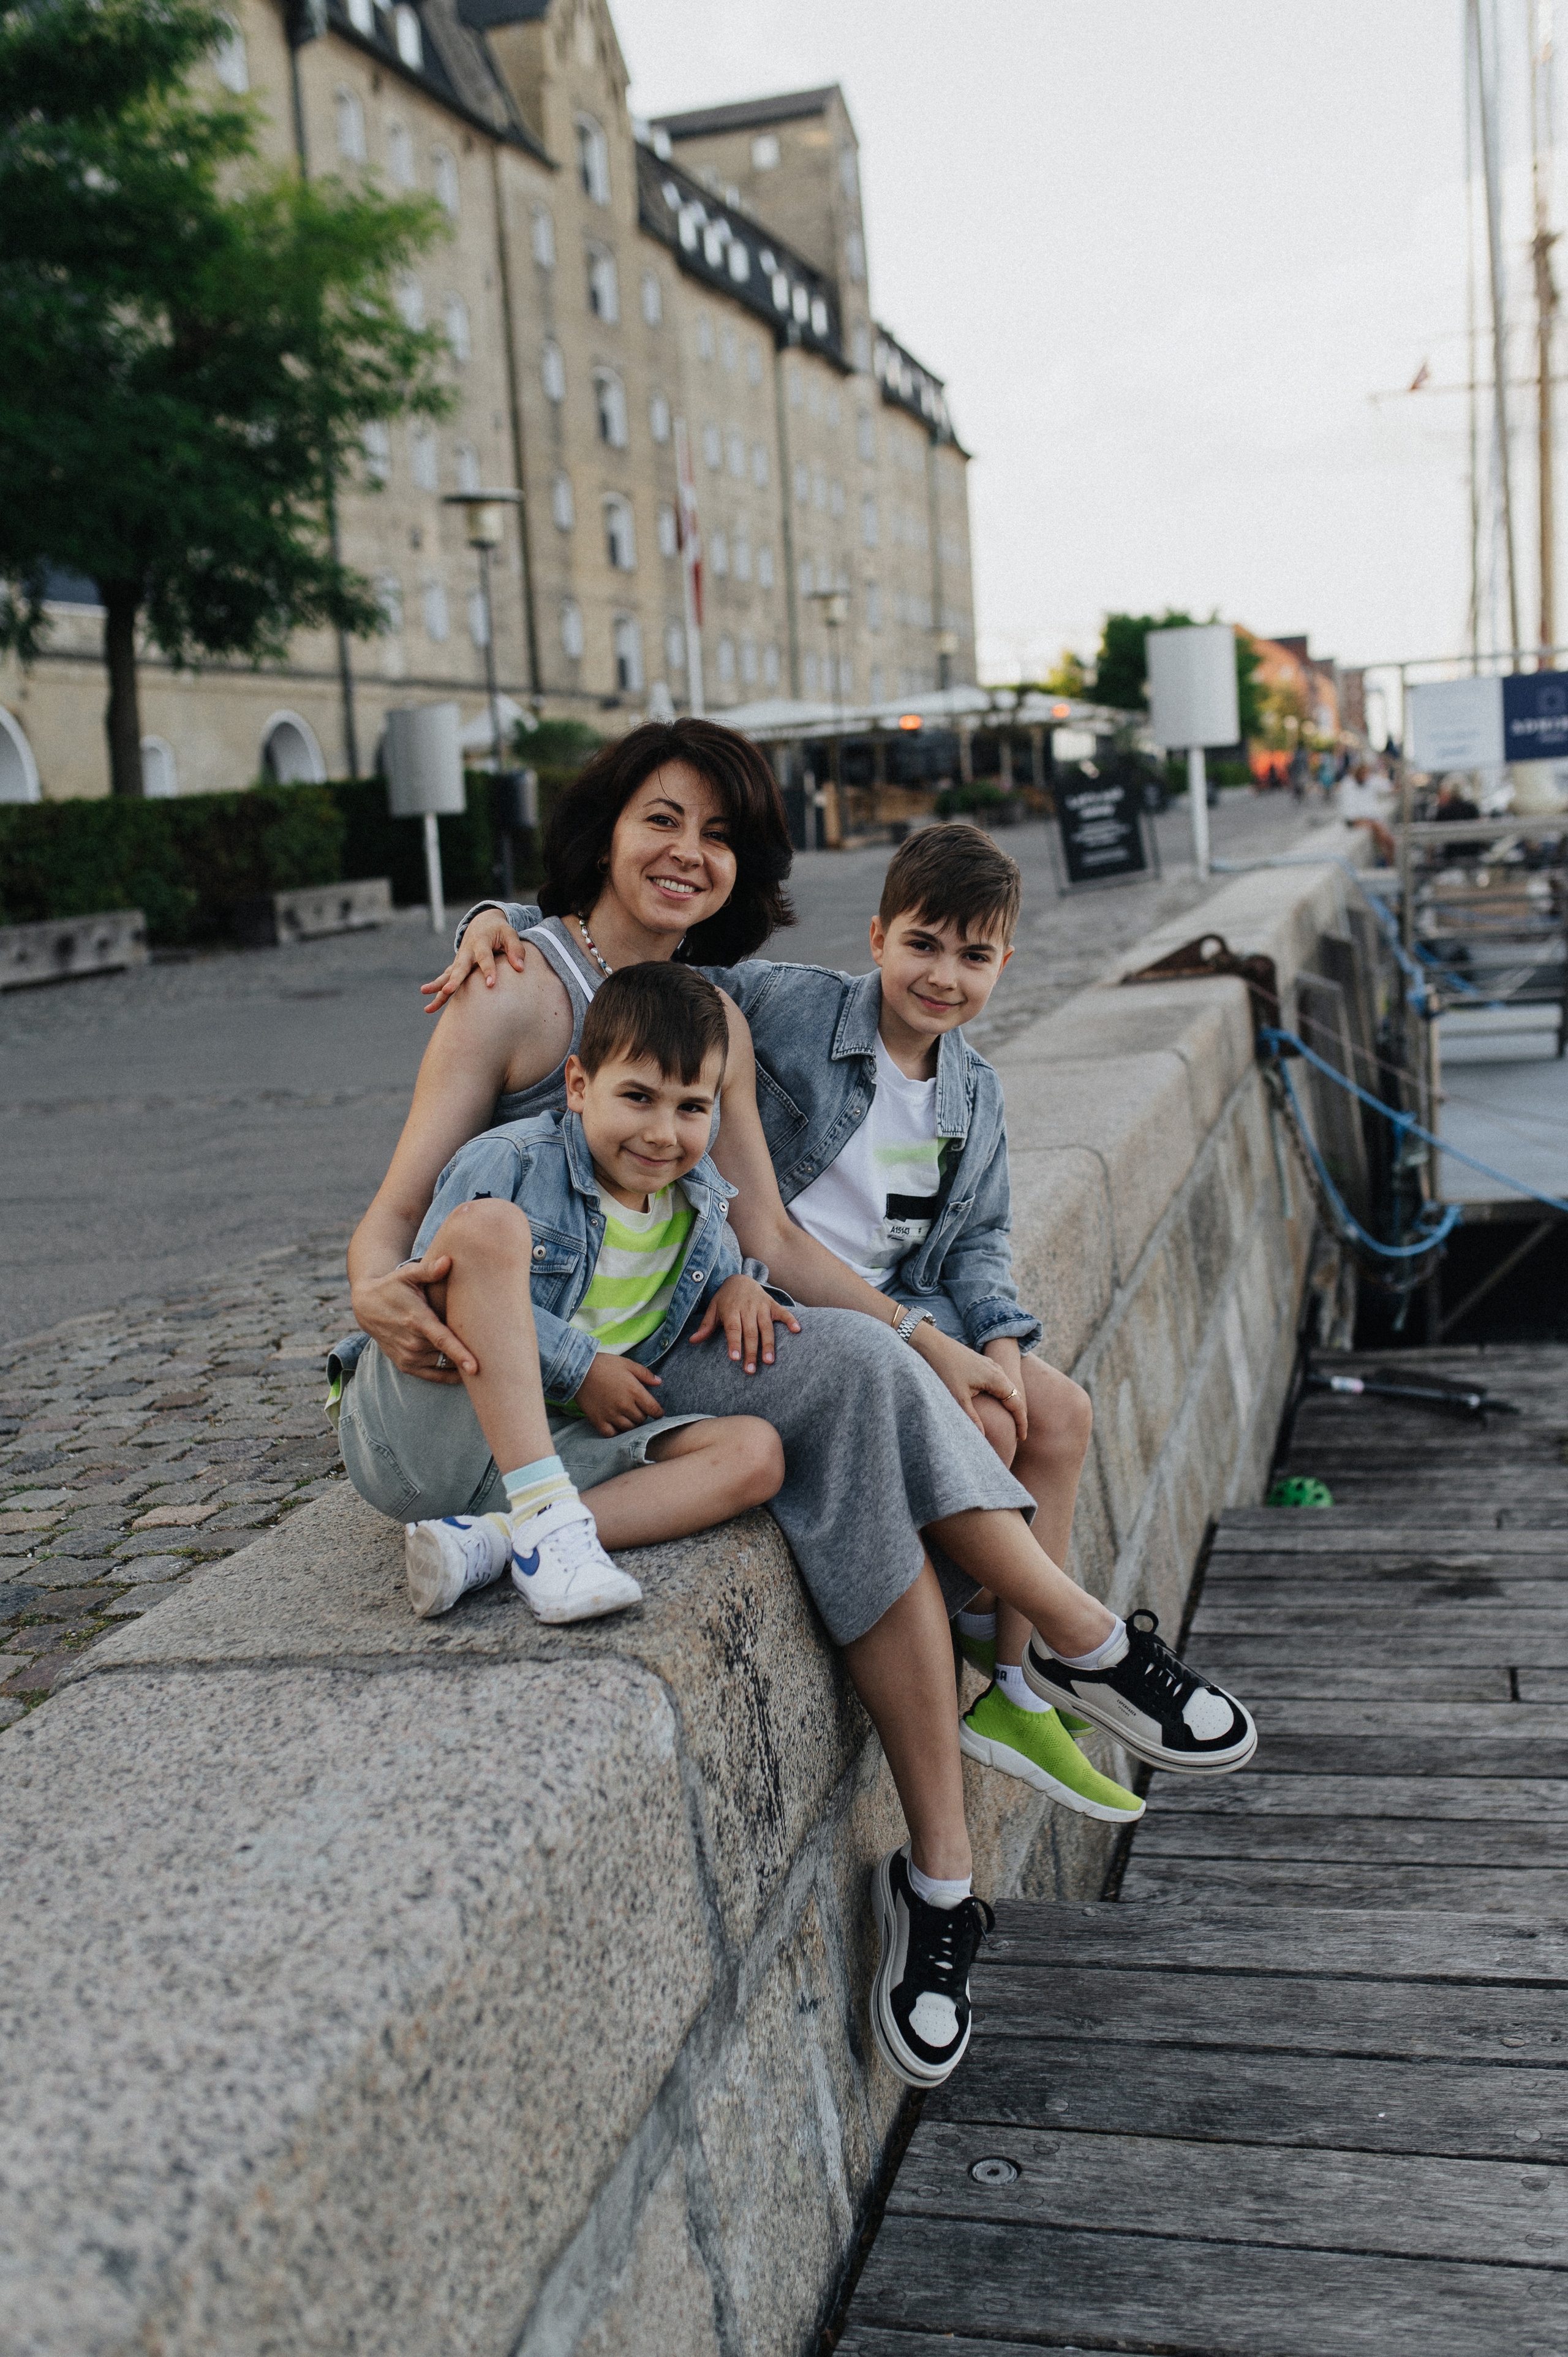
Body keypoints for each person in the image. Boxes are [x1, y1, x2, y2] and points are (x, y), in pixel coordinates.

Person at [361, 719, 1256, 2089]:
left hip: (663, 1344)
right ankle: (1072, 1637)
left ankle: (942, 1882)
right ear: (607, 826)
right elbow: (398, 1216)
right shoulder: (515, 988)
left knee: (864, 1382)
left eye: (719, 835)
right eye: (663, 819)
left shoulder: (720, 1007)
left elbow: (763, 1228)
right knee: (874, 1386)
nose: (689, 853)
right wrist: (375, 1292)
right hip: (510, 1376)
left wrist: (909, 1327)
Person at [333, 963, 792, 1621]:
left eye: (691, 1106)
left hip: (550, 1449)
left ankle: (502, 1539)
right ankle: (545, 1517)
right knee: (488, 1228)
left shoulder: (702, 1210)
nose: (663, 1132)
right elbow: (432, 1297)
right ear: (578, 1084)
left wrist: (743, 1284)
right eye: (638, 1097)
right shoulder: (513, 1159)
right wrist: (580, 1368)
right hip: (426, 1427)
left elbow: (720, 1278)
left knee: (755, 1454)